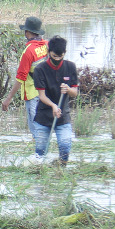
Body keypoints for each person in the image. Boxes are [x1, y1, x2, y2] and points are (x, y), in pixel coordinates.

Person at [30, 35, 80, 165]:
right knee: (40, 152)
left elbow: (75, 93)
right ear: (48, 52)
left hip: (63, 116)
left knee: (65, 148)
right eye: (54, 56)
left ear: (65, 53)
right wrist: (53, 106)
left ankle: (60, 170)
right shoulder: (40, 69)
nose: (57, 59)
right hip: (44, 115)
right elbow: (42, 95)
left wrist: (68, 90)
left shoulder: (70, 67)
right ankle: (40, 171)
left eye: (60, 56)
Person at [0, 17, 48, 146]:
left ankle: (39, 154)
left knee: (35, 127)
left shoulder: (28, 51)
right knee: (42, 125)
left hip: (32, 94)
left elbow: (21, 77)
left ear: (27, 32)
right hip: (45, 92)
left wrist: (8, 99)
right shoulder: (46, 45)